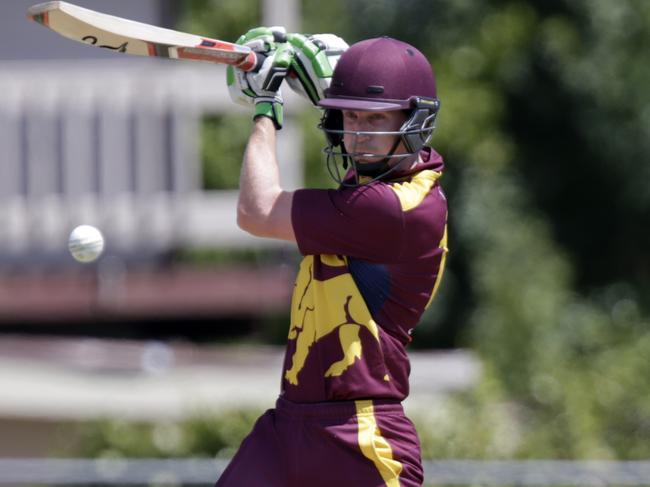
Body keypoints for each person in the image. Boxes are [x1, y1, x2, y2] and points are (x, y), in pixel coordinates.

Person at [218, 27, 448, 487]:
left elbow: (257, 210)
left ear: (415, 122)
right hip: (289, 426)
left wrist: (267, 107)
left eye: (375, 120)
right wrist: (332, 81)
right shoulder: (375, 186)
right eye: (349, 119)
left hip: (361, 437)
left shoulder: (394, 210)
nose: (357, 136)